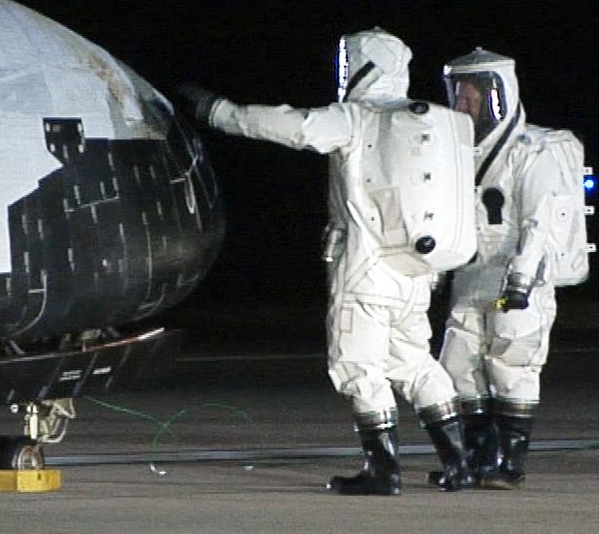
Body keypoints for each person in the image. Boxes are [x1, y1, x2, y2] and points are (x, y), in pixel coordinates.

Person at [177, 28, 474, 494]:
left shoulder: (357, 118)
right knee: (415, 363)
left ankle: (382, 471)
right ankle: (459, 463)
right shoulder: (419, 123)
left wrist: (218, 111)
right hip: (415, 274)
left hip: (364, 271)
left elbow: (293, 126)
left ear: (361, 66)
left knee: (356, 366)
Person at [437, 48, 585, 488]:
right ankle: (480, 456)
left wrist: (521, 281)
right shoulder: (461, 152)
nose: (461, 104)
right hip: (471, 273)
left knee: (511, 364)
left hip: (519, 275)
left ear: (495, 94)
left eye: (470, 96)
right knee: (458, 363)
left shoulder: (532, 151)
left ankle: (510, 461)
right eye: (457, 94)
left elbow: (541, 220)